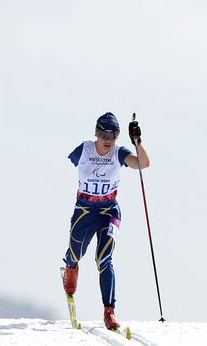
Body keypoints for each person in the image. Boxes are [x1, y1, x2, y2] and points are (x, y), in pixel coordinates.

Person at [62, 112, 150, 330]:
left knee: (104, 259)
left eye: (113, 134)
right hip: (84, 210)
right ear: (96, 134)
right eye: (102, 133)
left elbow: (144, 164)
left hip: (109, 211)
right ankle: (70, 268)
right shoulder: (84, 150)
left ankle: (109, 312)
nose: (107, 138)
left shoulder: (119, 153)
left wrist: (137, 142)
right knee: (75, 254)